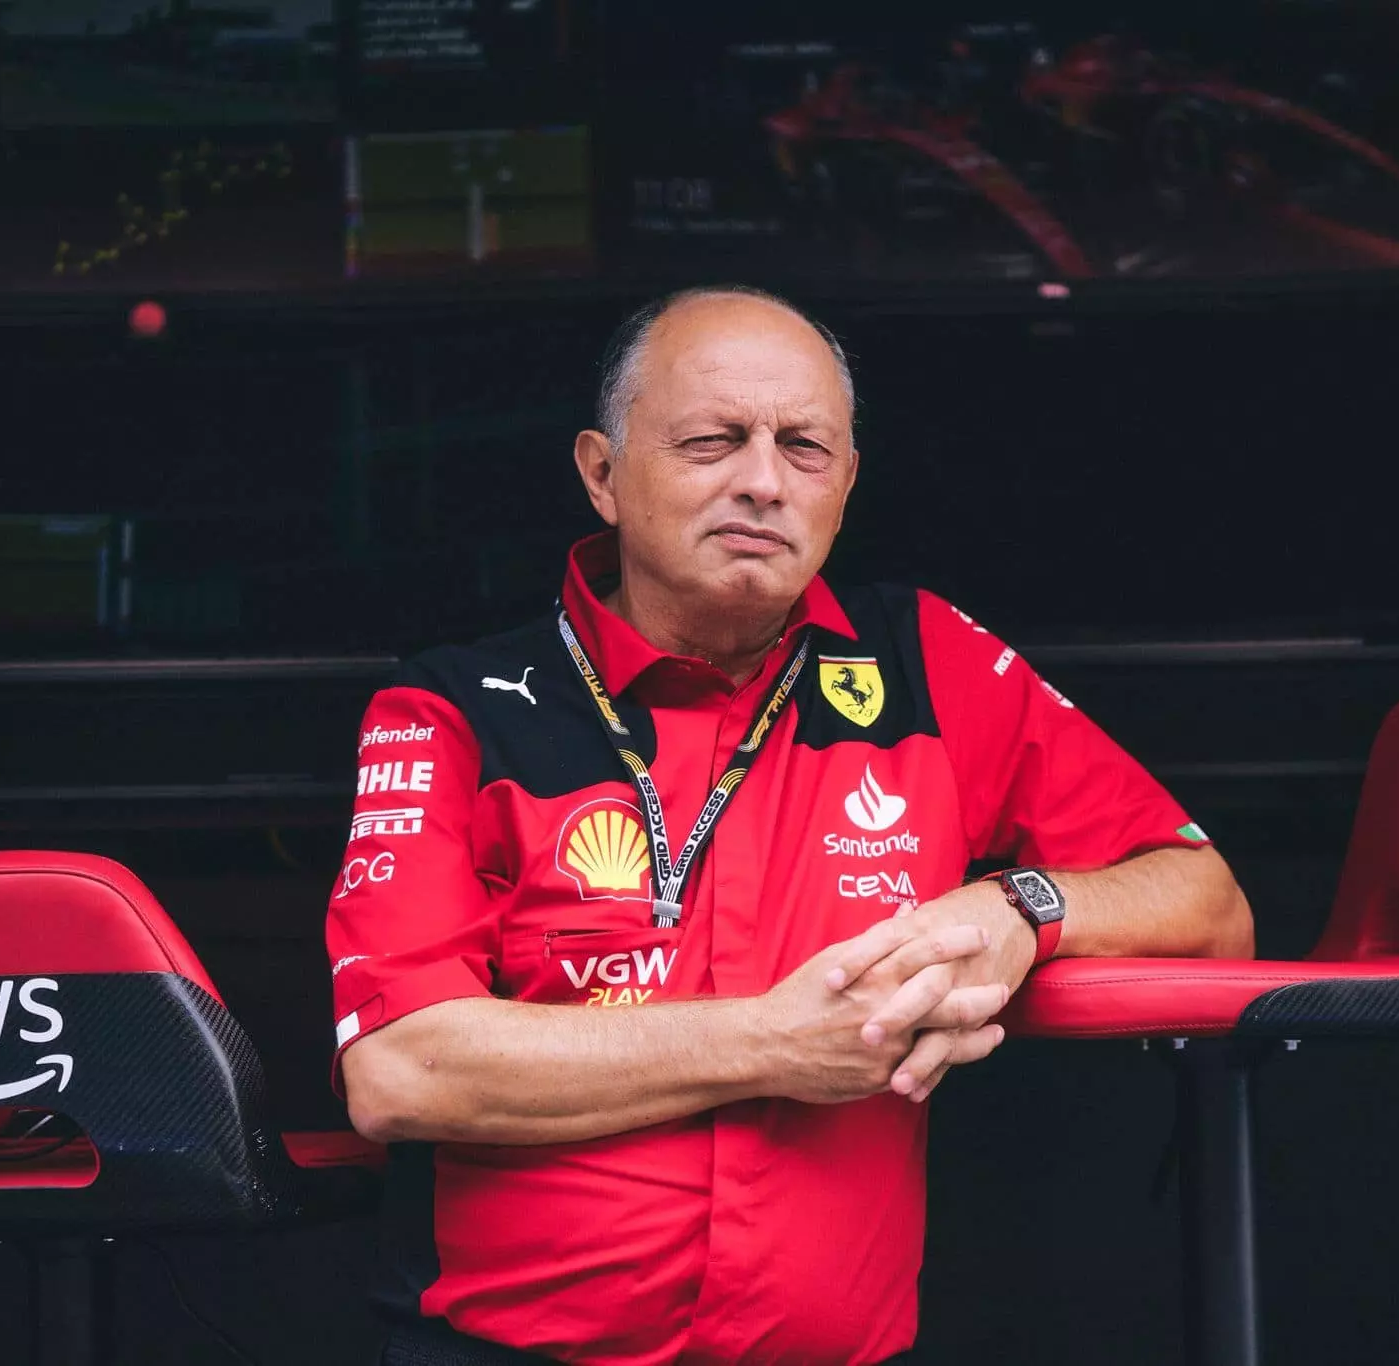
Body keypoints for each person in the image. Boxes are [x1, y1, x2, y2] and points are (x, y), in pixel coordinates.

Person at [327, 285, 1254, 1366]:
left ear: (846, 483)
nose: (762, 482)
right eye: (712, 440)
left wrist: (1021, 906)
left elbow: (1207, 903)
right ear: (601, 473)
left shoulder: (924, 661)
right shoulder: (454, 707)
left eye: (803, 447)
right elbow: (399, 1071)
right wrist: (775, 1041)